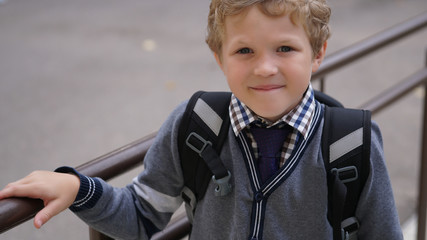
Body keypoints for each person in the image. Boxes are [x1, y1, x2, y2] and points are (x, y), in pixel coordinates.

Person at [0, 0, 403, 239]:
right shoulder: (196, 126)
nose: (265, 68)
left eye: (284, 48)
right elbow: (142, 216)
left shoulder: (352, 143)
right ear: (218, 56)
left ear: (317, 53)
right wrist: (79, 189)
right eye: (244, 51)